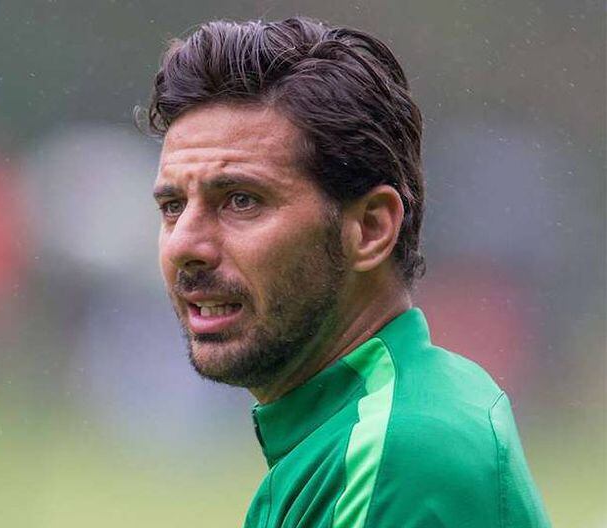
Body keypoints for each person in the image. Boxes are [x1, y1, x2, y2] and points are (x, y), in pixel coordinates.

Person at [144, 17, 550, 527]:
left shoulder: (397, 453)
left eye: (241, 200)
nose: (184, 245)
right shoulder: (372, 421)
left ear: (371, 228)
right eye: (173, 206)